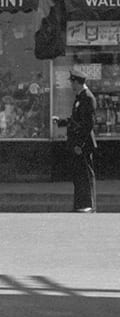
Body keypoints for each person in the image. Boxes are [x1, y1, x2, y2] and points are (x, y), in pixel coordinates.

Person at [54, 71, 97, 212]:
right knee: (78, 175)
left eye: (72, 82)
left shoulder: (87, 98)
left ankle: (88, 205)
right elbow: (76, 120)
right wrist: (61, 122)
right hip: (77, 143)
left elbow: (87, 125)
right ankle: (80, 204)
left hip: (82, 144)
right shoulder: (80, 97)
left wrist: (80, 144)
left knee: (85, 174)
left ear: (77, 82)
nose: (71, 85)